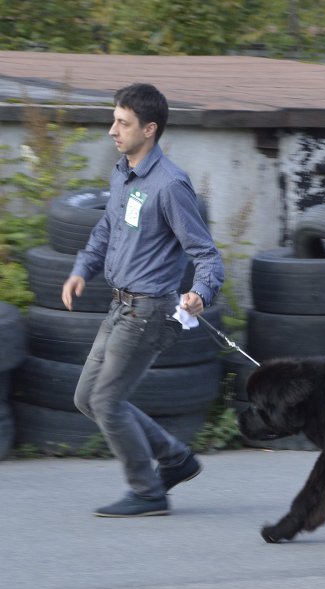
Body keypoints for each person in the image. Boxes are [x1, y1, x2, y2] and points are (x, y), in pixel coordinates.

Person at [62, 83, 224, 518]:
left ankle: (147, 490)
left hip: (149, 309)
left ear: (149, 129)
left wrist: (200, 293)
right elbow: (105, 231)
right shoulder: (122, 172)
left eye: (123, 123)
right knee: (86, 398)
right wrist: (82, 270)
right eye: (114, 119)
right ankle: (174, 458)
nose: (113, 129)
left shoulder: (170, 185)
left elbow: (206, 254)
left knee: (106, 402)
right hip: (120, 305)